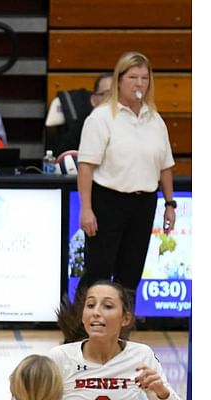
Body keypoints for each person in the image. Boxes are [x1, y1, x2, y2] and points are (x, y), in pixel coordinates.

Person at [76, 52, 176, 297]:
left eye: (144, 77)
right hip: (107, 201)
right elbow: (86, 166)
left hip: (143, 203)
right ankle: (78, 329)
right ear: (119, 79)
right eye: (133, 77)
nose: (139, 83)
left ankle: (121, 330)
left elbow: (165, 165)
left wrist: (170, 204)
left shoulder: (155, 119)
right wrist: (86, 208)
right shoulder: (101, 118)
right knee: (98, 272)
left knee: (131, 274)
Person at [49, 280, 182, 399]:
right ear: (83, 317)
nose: (96, 312)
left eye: (107, 306)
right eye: (90, 305)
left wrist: (163, 394)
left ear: (125, 319)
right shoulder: (60, 357)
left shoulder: (142, 355)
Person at [44, 73, 113, 155]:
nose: (112, 99)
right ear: (93, 100)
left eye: (117, 94)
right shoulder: (80, 129)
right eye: (107, 94)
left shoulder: (129, 123)